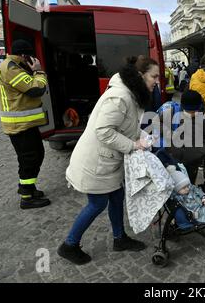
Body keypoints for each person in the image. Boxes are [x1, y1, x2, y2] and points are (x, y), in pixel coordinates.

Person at [57, 56, 159, 265]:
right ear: (140, 76)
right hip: (96, 162)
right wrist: (134, 145)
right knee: (97, 204)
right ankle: (69, 245)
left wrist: (141, 136)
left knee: (116, 197)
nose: (157, 81)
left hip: (109, 161)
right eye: (154, 76)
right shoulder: (120, 96)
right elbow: (103, 131)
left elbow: (125, 125)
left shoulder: (132, 94)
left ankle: (119, 238)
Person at [0, 39, 51, 209]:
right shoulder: (11, 68)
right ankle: (26, 196)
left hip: (25, 124)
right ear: (25, 55)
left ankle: (29, 189)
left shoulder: (13, 66)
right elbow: (36, 89)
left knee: (36, 154)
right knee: (29, 158)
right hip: (19, 125)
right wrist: (39, 71)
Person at [167, 90, 205, 183]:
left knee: (189, 184)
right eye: (187, 111)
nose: (190, 114)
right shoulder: (174, 112)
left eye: (193, 111)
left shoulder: (203, 120)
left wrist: (199, 153)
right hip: (175, 159)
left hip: (192, 162)